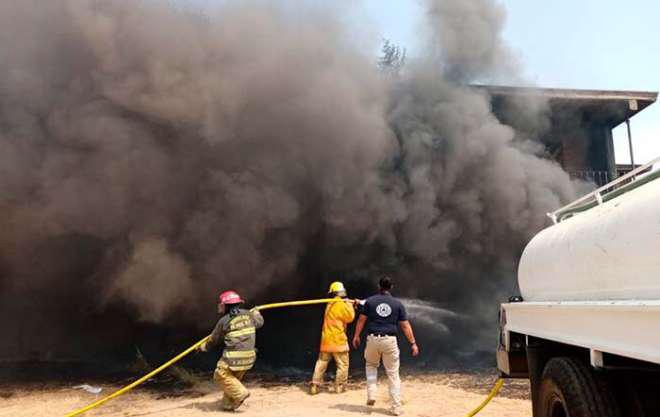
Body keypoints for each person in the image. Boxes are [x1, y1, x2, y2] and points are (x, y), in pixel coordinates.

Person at [352, 276, 419, 416]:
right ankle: (396, 408)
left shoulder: (370, 301)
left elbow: (361, 320)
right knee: (393, 375)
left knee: (371, 366)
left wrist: (356, 336)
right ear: (391, 287)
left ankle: (371, 395)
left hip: (372, 340)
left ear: (379, 286)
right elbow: (405, 326)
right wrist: (413, 343)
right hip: (390, 341)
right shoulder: (397, 304)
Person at [198, 290, 264, 412]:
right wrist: (256, 313)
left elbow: (213, 339)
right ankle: (228, 404)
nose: (220, 306)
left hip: (233, 358)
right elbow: (260, 323)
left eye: (221, 304)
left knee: (220, 374)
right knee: (233, 380)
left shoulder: (224, 321)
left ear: (226, 306)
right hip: (249, 358)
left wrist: (203, 347)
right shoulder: (249, 315)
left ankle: (241, 393)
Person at [310, 281, 356, 395]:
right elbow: (350, 317)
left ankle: (315, 385)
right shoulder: (341, 304)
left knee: (321, 362)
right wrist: (349, 304)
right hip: (338, 340)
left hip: (326, 340)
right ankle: (339, 386)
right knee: (343, 364)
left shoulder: (329, 303)